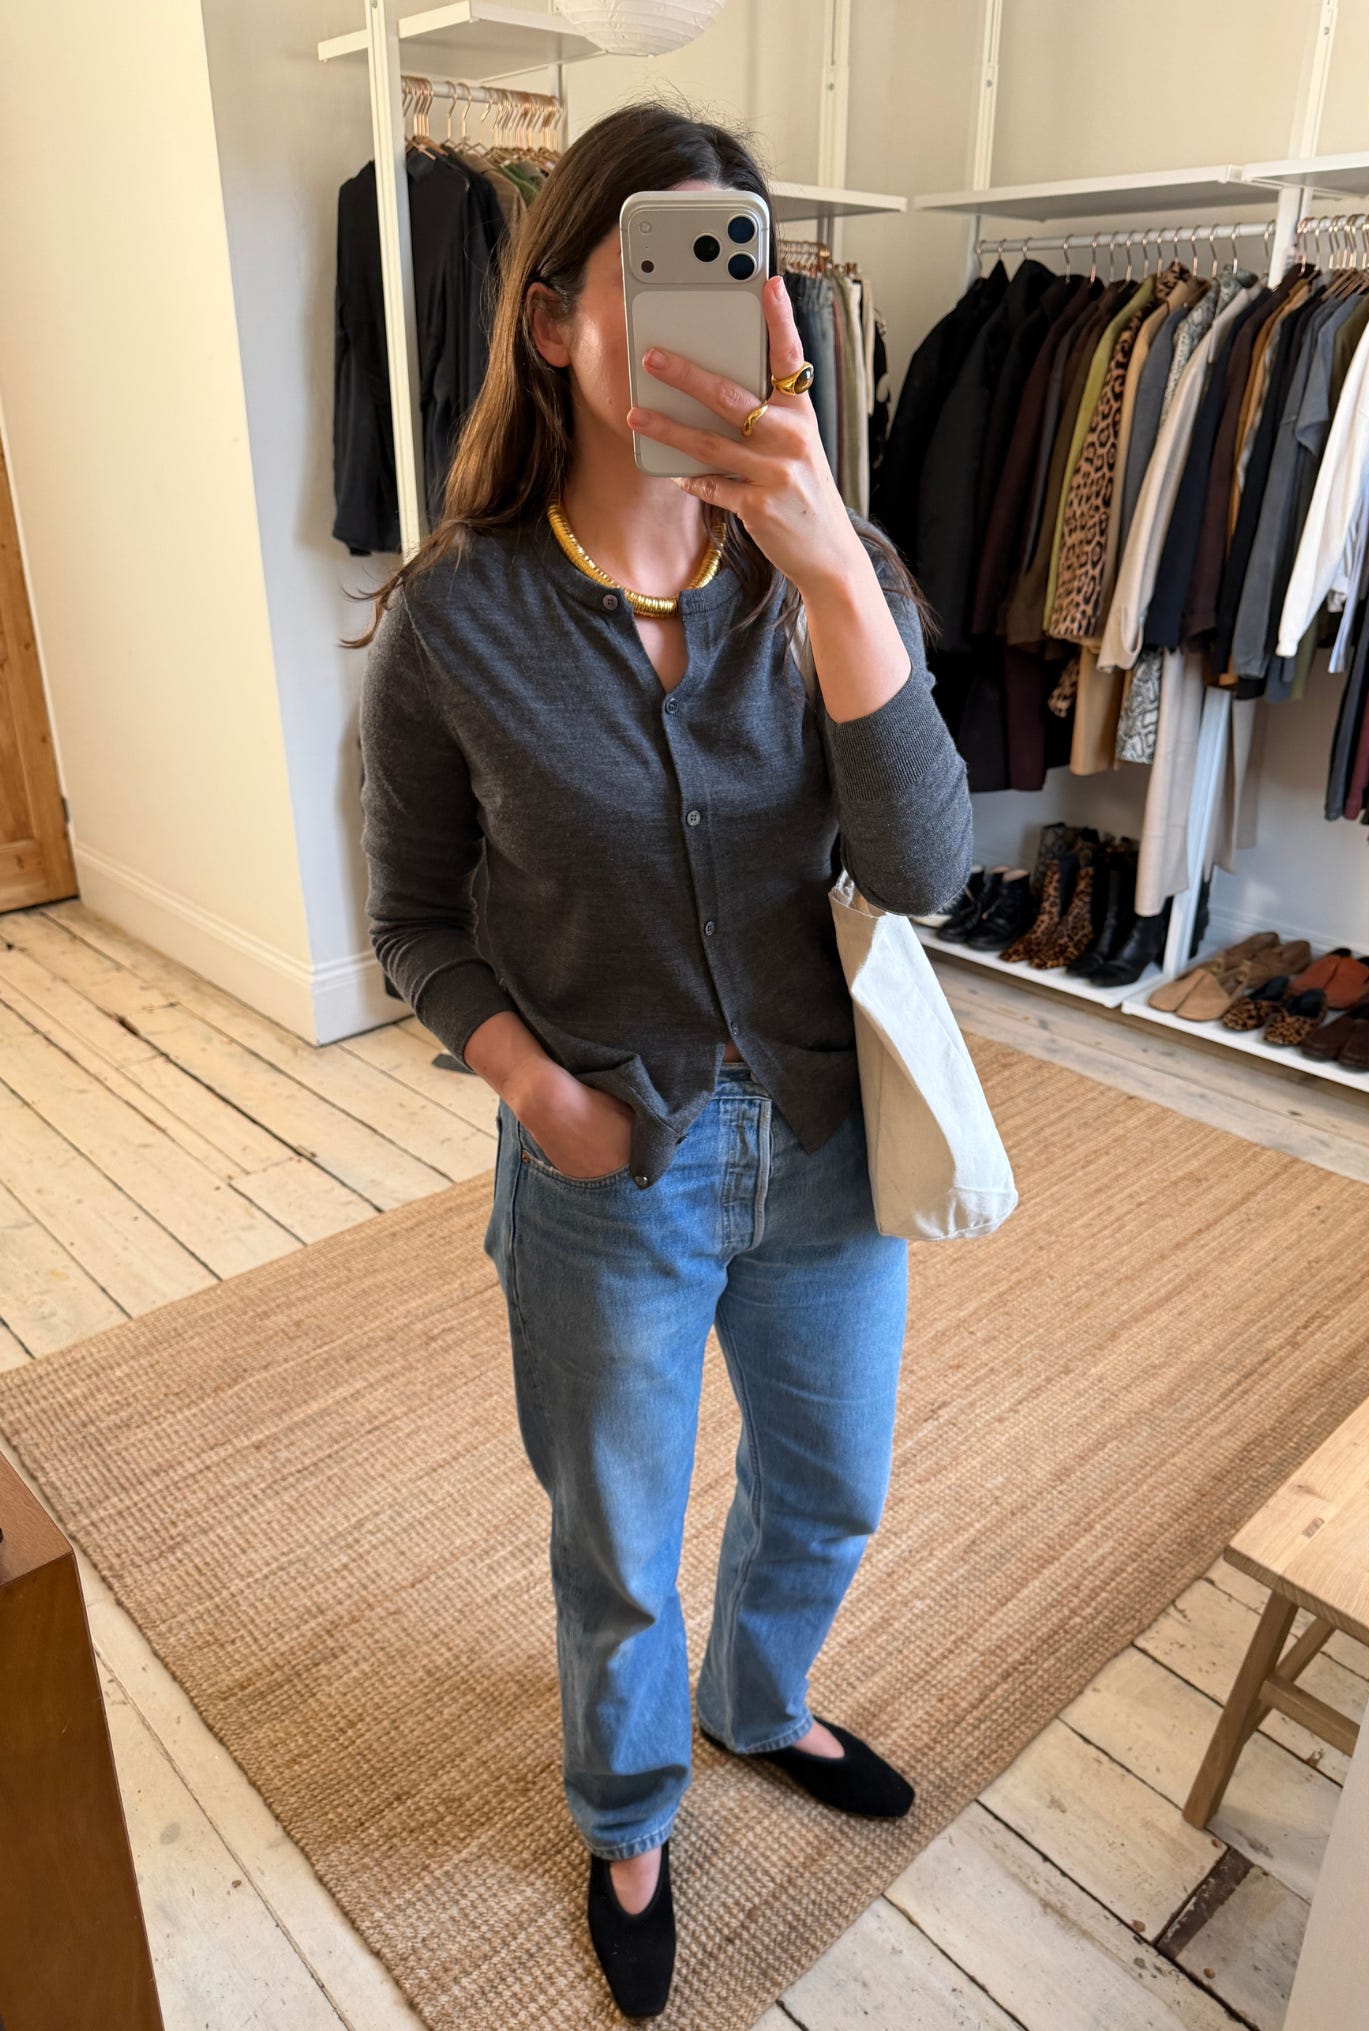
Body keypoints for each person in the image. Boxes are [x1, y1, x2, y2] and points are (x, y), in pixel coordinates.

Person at [353, 106, 971, 2019]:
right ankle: (627, 1814)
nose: (714, 305)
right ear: (555, 321)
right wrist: (534, 1092)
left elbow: (925, 869)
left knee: (832, 1483)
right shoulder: (454, 620)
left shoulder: (827, 575)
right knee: (617, 1538)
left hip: (825, 1141)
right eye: (658, 268)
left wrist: (832, 570)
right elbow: (414, 921)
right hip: (608, 1157)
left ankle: (758, 1703)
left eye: (740, 264)